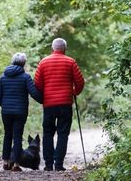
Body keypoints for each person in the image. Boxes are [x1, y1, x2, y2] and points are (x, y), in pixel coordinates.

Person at [34, 38, 85, 171]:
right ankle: (59, 164)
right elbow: (80, 81)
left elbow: (37, 84)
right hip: (65, 104)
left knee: (48, 133)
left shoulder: (43, 62)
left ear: (52, 48)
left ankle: (48, 164)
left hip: (49, 104)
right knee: (63, 134)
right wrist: (74, 92)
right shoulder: (70, 62)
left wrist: (44, 97)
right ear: (65, 49)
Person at [0, 52, 43, 172]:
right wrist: (44, 100)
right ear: (24, 63)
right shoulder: (25, 77)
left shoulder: (3, 77)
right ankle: (16, 164)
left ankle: (6, 162)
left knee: (7, 135)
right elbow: (34, 93)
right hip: (20, 112)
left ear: (12, 62)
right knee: (17, 137)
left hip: (6, 112)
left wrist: (5, 106)